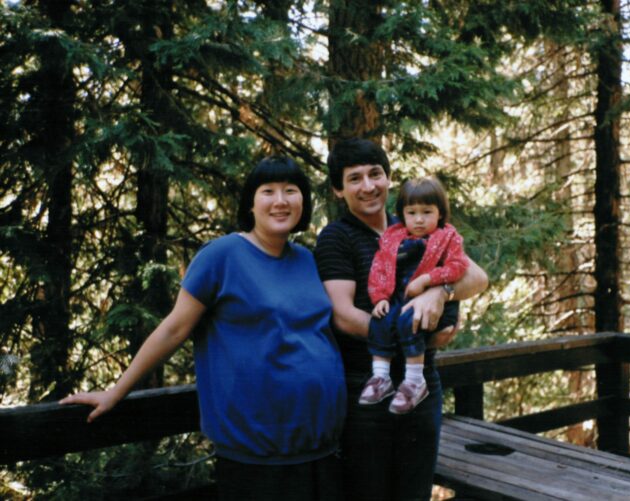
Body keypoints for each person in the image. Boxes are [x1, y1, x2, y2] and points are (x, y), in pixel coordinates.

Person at [61, 156, 347, 501]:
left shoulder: (306, 259)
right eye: (268, 191)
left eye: (291, 190)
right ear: (251, 204)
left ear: (304, 201)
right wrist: (116, 392)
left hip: (321, 448)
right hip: (257, 454)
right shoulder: (222, 255)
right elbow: (174, 329)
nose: (281, 200)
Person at [314, 138, 488, 501]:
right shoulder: (336, 238)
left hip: (423, 386)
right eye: (354, 178)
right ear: (337, 189)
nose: (368, 186)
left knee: (414, 492)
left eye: (375, 174)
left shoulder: (414, 223)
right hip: (365, 391)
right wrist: (414, 338)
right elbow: (344, 317)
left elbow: (477, 278)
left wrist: (438, 292)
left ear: (388, 177)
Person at [361, 177, 469, 415]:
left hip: (434, 300)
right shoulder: (393, 238)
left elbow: (458, 266)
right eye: (412, 212)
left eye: (427, 212)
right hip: (398, 296)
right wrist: (379, 297)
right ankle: (380, 377)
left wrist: (428, 280)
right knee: (381, 320)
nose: (419, 219)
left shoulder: (447, 236)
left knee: (410, 320)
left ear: (440, 213)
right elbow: (379, 267)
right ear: (402, 214)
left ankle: (414, 381)